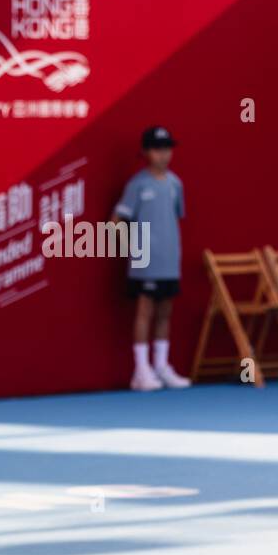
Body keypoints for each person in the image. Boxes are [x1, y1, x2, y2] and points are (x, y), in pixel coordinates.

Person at [112, 125, 191, 391]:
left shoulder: (175, 184)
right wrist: (131, 248)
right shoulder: (137, 185)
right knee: (144, 311)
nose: (164, 154)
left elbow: (175, 217)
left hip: (169, 259)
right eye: (158, 149)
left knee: (165, 311)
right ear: (146, 152)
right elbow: (117, 220)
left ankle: (160, 366)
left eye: (167, 148)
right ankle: (141, 370)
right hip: (144, 260)